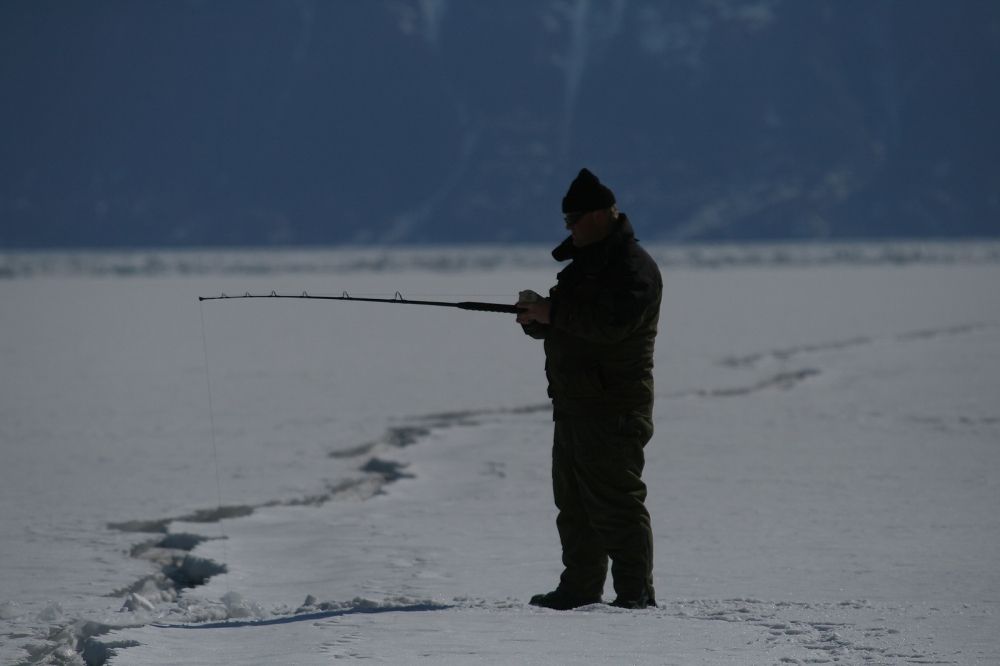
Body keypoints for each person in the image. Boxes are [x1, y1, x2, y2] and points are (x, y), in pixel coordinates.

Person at [516, 167, 662, 610]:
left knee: (616, 501)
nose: (569, 228)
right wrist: (538, 317)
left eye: (574, 219)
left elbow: (611, 326)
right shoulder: (585, 266)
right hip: (575, 403)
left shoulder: (633, 269)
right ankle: (579, 589)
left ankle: (635, 594)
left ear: (602, 214)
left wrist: (552, 315)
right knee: (575, 504)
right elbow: (571, 322)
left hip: (612, 406)